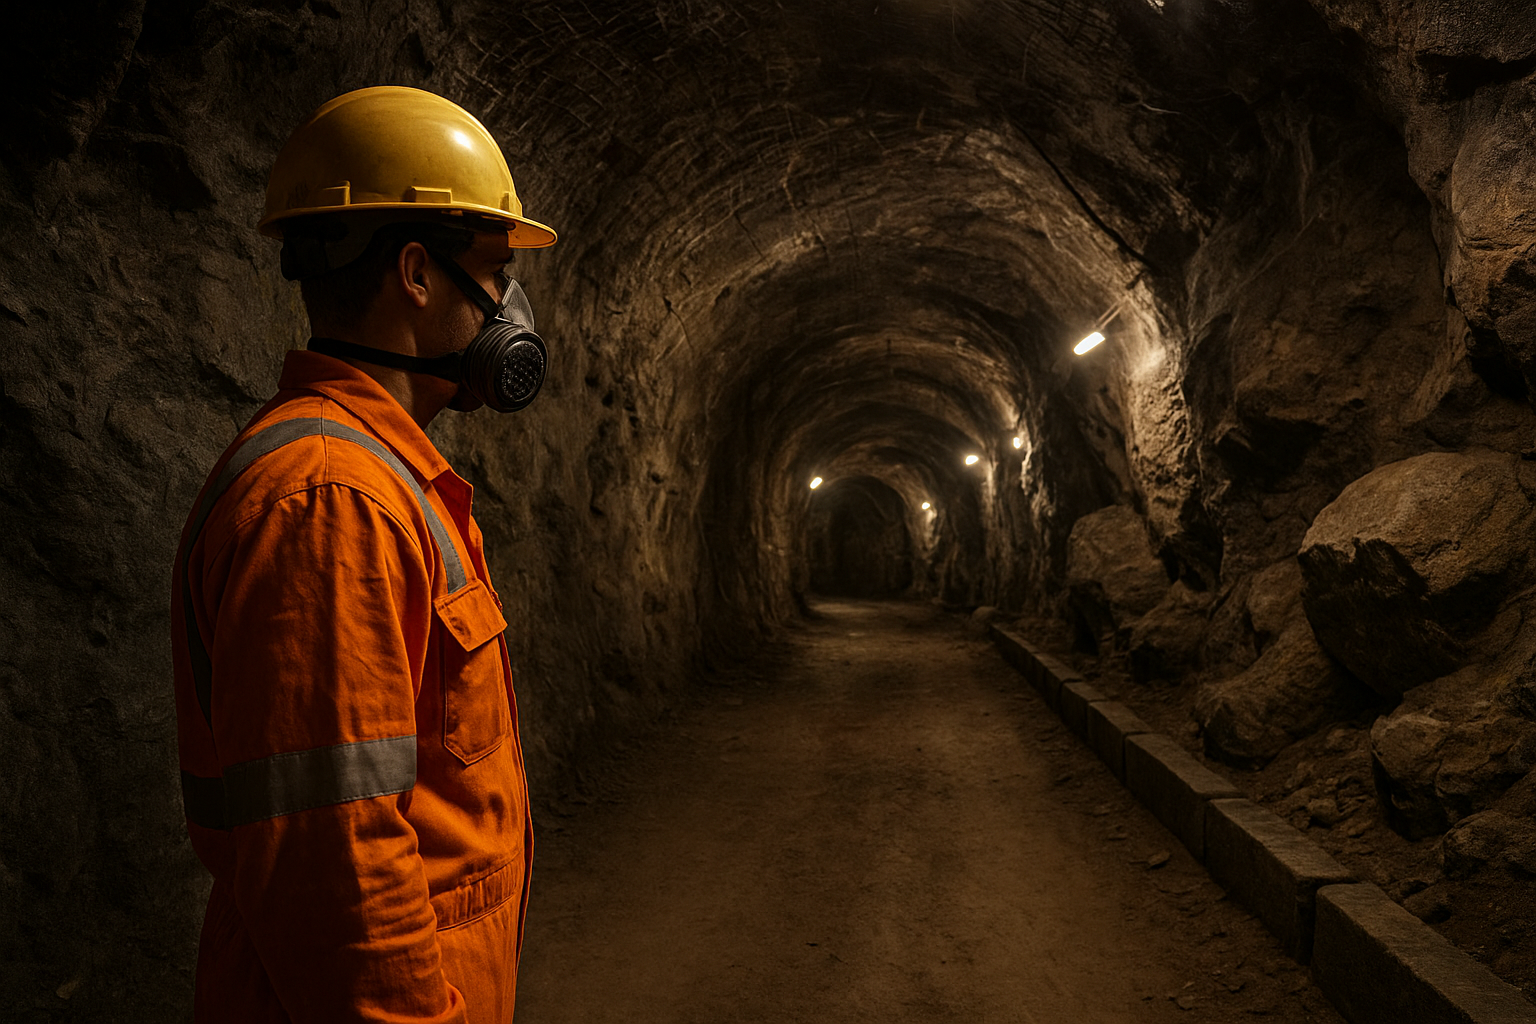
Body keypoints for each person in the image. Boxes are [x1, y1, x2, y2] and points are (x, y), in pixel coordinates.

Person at [169, 85, 558, 1023]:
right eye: (495, 270)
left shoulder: (376, 477)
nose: (508, 304)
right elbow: (334, 867)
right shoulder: (331, 501)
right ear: (417, 273)